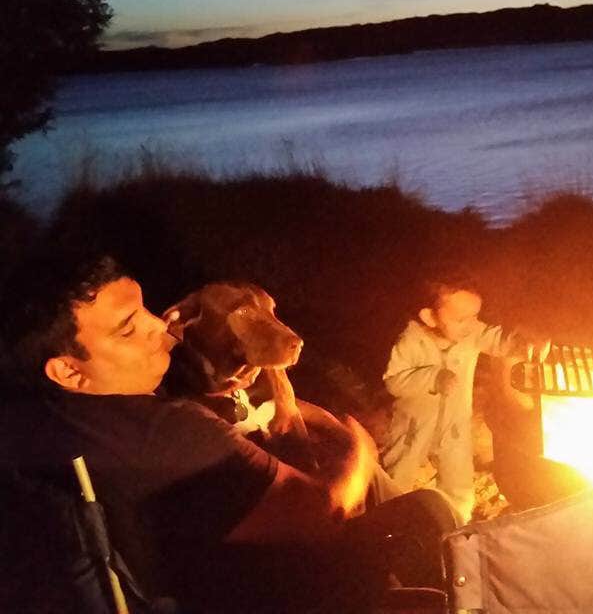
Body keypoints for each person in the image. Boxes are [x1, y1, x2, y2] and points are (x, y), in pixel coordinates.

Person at [0, 249, 456, 613]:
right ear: (68, 370)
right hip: (263, 593)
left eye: (145, 311)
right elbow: (324, 512)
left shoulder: (39, 420)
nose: (161, 326)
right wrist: (361, 447)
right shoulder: (169, 432)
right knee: (429, 510)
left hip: (175, 577)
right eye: (128, 329)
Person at [380, 272, 521, 522]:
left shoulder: (471, 333)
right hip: (413, 425)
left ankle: (458, 521)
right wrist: (433, 378)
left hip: (454, 425)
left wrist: (520, 342)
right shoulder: (410, 341)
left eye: (475, 316)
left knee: (459, 481)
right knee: (397, 473)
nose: (471, 325)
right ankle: (387, 517)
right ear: (429, 317)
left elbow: (497, 340)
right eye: (461, 319)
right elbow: (394, 381)